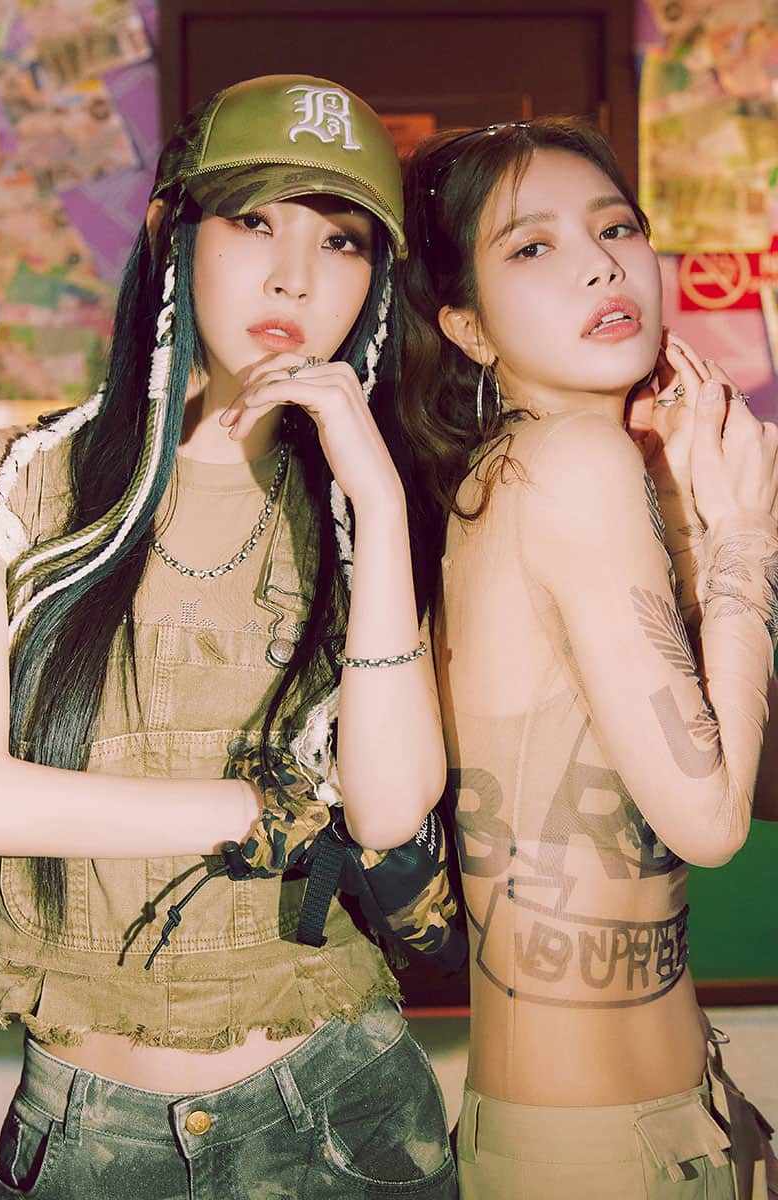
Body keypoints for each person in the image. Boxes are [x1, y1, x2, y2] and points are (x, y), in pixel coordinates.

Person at [0, 74, 458, 1198]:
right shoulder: (21, 483)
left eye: (339, 241)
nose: (295, 275)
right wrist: (262, 809)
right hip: (87, 1137)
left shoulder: (369, 512)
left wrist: (379, 504)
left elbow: (388, 810)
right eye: (254, 221)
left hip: (341, 1113)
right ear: (171, 232)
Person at [397, 116, 778, 1199]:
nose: (602, 264)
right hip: (608, 1153)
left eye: (616, 227)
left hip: (621, 1122)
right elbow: (709, 819)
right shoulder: (572, 463)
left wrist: (691, 521)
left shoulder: (509, 473)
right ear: (467, 328)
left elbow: (673, 746)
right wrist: (745, 539)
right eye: (533, 246)